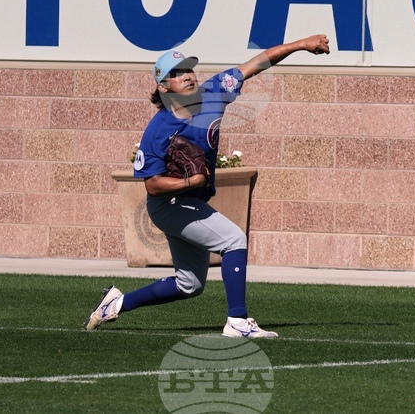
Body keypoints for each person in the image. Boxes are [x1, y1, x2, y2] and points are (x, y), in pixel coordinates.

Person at [85, 35, 331, 338]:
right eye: (176, 73)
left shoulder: (214, 92)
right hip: (169, 205)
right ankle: (237, 321)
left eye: (188, 68)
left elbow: (258, 62)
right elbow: (152, 185)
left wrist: (301, 44)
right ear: (163, 87)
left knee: (190, 285)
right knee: (233, 240)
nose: (187, 75)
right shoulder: (158, 130)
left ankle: (117, 303)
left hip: (190, 201)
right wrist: (190, 181)